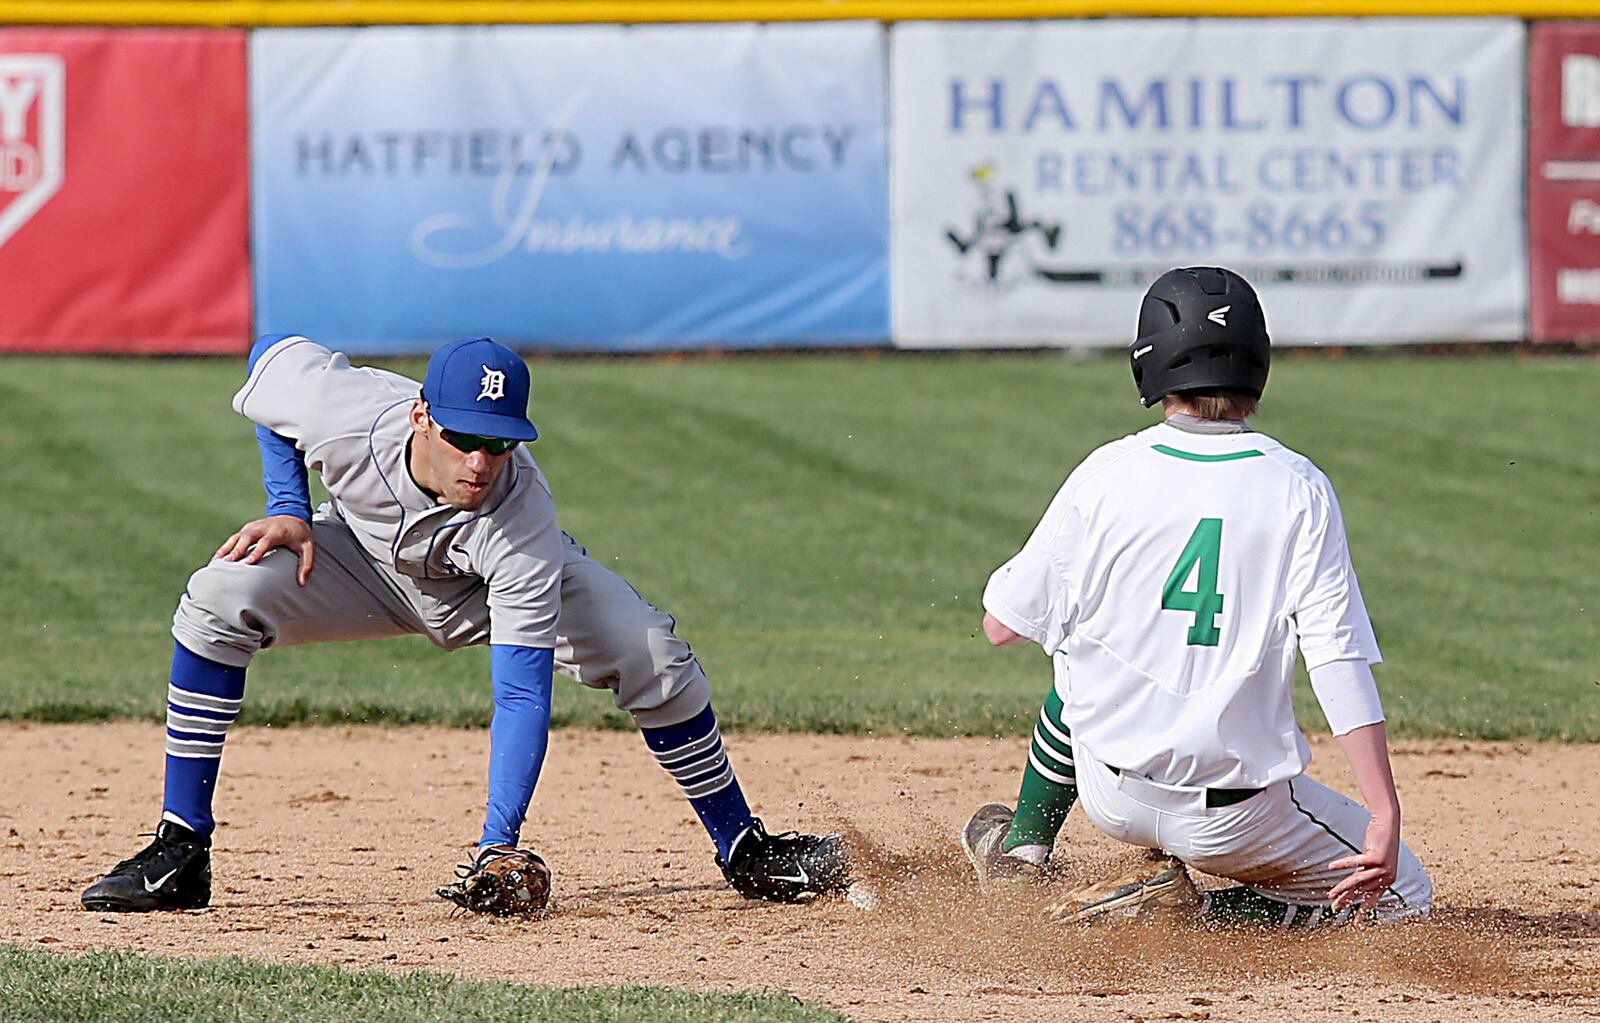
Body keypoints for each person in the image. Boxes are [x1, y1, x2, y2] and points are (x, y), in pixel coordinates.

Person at [82, 334, 848, 914]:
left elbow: (520, 694)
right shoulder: (345, 412)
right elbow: (271, 364)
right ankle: (181, 847)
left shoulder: (519, 518)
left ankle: (744, 846)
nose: (481, 461)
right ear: (421, 413)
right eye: (463, 436)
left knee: (651, 650)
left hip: (491, 586)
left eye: (500, 441)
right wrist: (289, 511)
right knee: (219, 596)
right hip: (362, 564)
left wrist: (497, 841)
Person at [960, 267, 1432, 928]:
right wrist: (1384, 810)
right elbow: (1337, 660)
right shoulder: (1297, 486)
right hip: (1237, 821)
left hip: (1109, 790)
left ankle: (1024, 850)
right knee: (1407, 894)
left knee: (1078, 642)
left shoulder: (1108, 471)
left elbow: (1002, 626)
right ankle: (1199, 913)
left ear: (1148, 362)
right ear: (1257, 364)